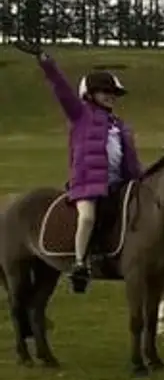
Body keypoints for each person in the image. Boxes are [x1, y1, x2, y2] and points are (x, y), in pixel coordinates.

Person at [14, 41, 141, 291]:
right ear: (90, 94)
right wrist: (45, 61)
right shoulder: (80, 115)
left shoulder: (120, 126)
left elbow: (130, 160)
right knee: (87, 218)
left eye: (113, 93)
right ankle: (80, 265)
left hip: (119, 184)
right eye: (105, 92)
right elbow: (61, 89)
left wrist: (140, 180)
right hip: (88, 184)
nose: (111, 96)